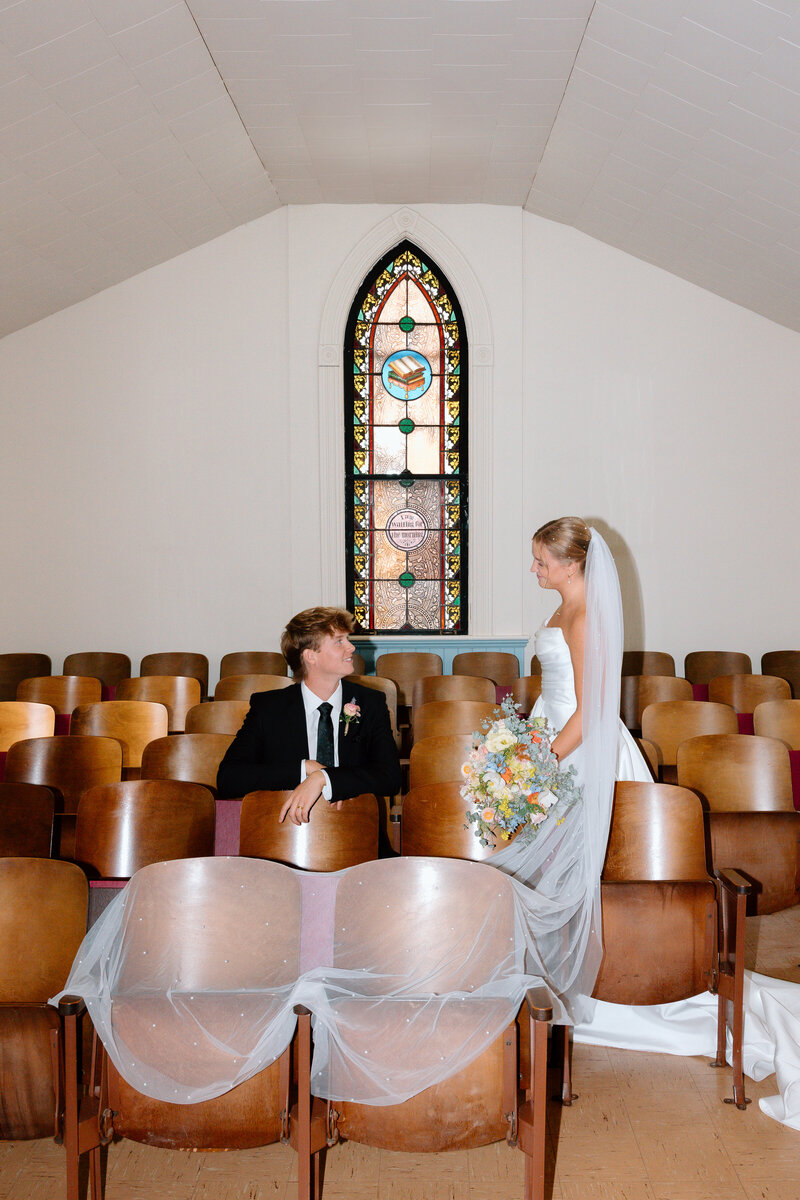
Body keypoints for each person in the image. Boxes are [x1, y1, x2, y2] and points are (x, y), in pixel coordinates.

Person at [488, 518, 650, 1022]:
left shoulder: (583, 617)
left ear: (573, 565)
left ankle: (587, 981)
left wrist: (544, 764)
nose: (534, 568)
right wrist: (528, 745)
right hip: (552, 736)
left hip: (580, 750)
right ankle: (548, 977)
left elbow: (596, 707)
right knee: (542, 873)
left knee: (576, 873)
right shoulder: (564, 607)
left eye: (542, 561)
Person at [216, 607, 401, 824]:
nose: (351, 647)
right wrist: (305, 768)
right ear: (310, 656)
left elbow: (390, 778)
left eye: (347, 639)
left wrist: (324, 778)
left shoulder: (370, 703)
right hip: (287, 834)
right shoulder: (269, 707)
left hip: (356, 828)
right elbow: (229, 778)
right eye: (339, 641)